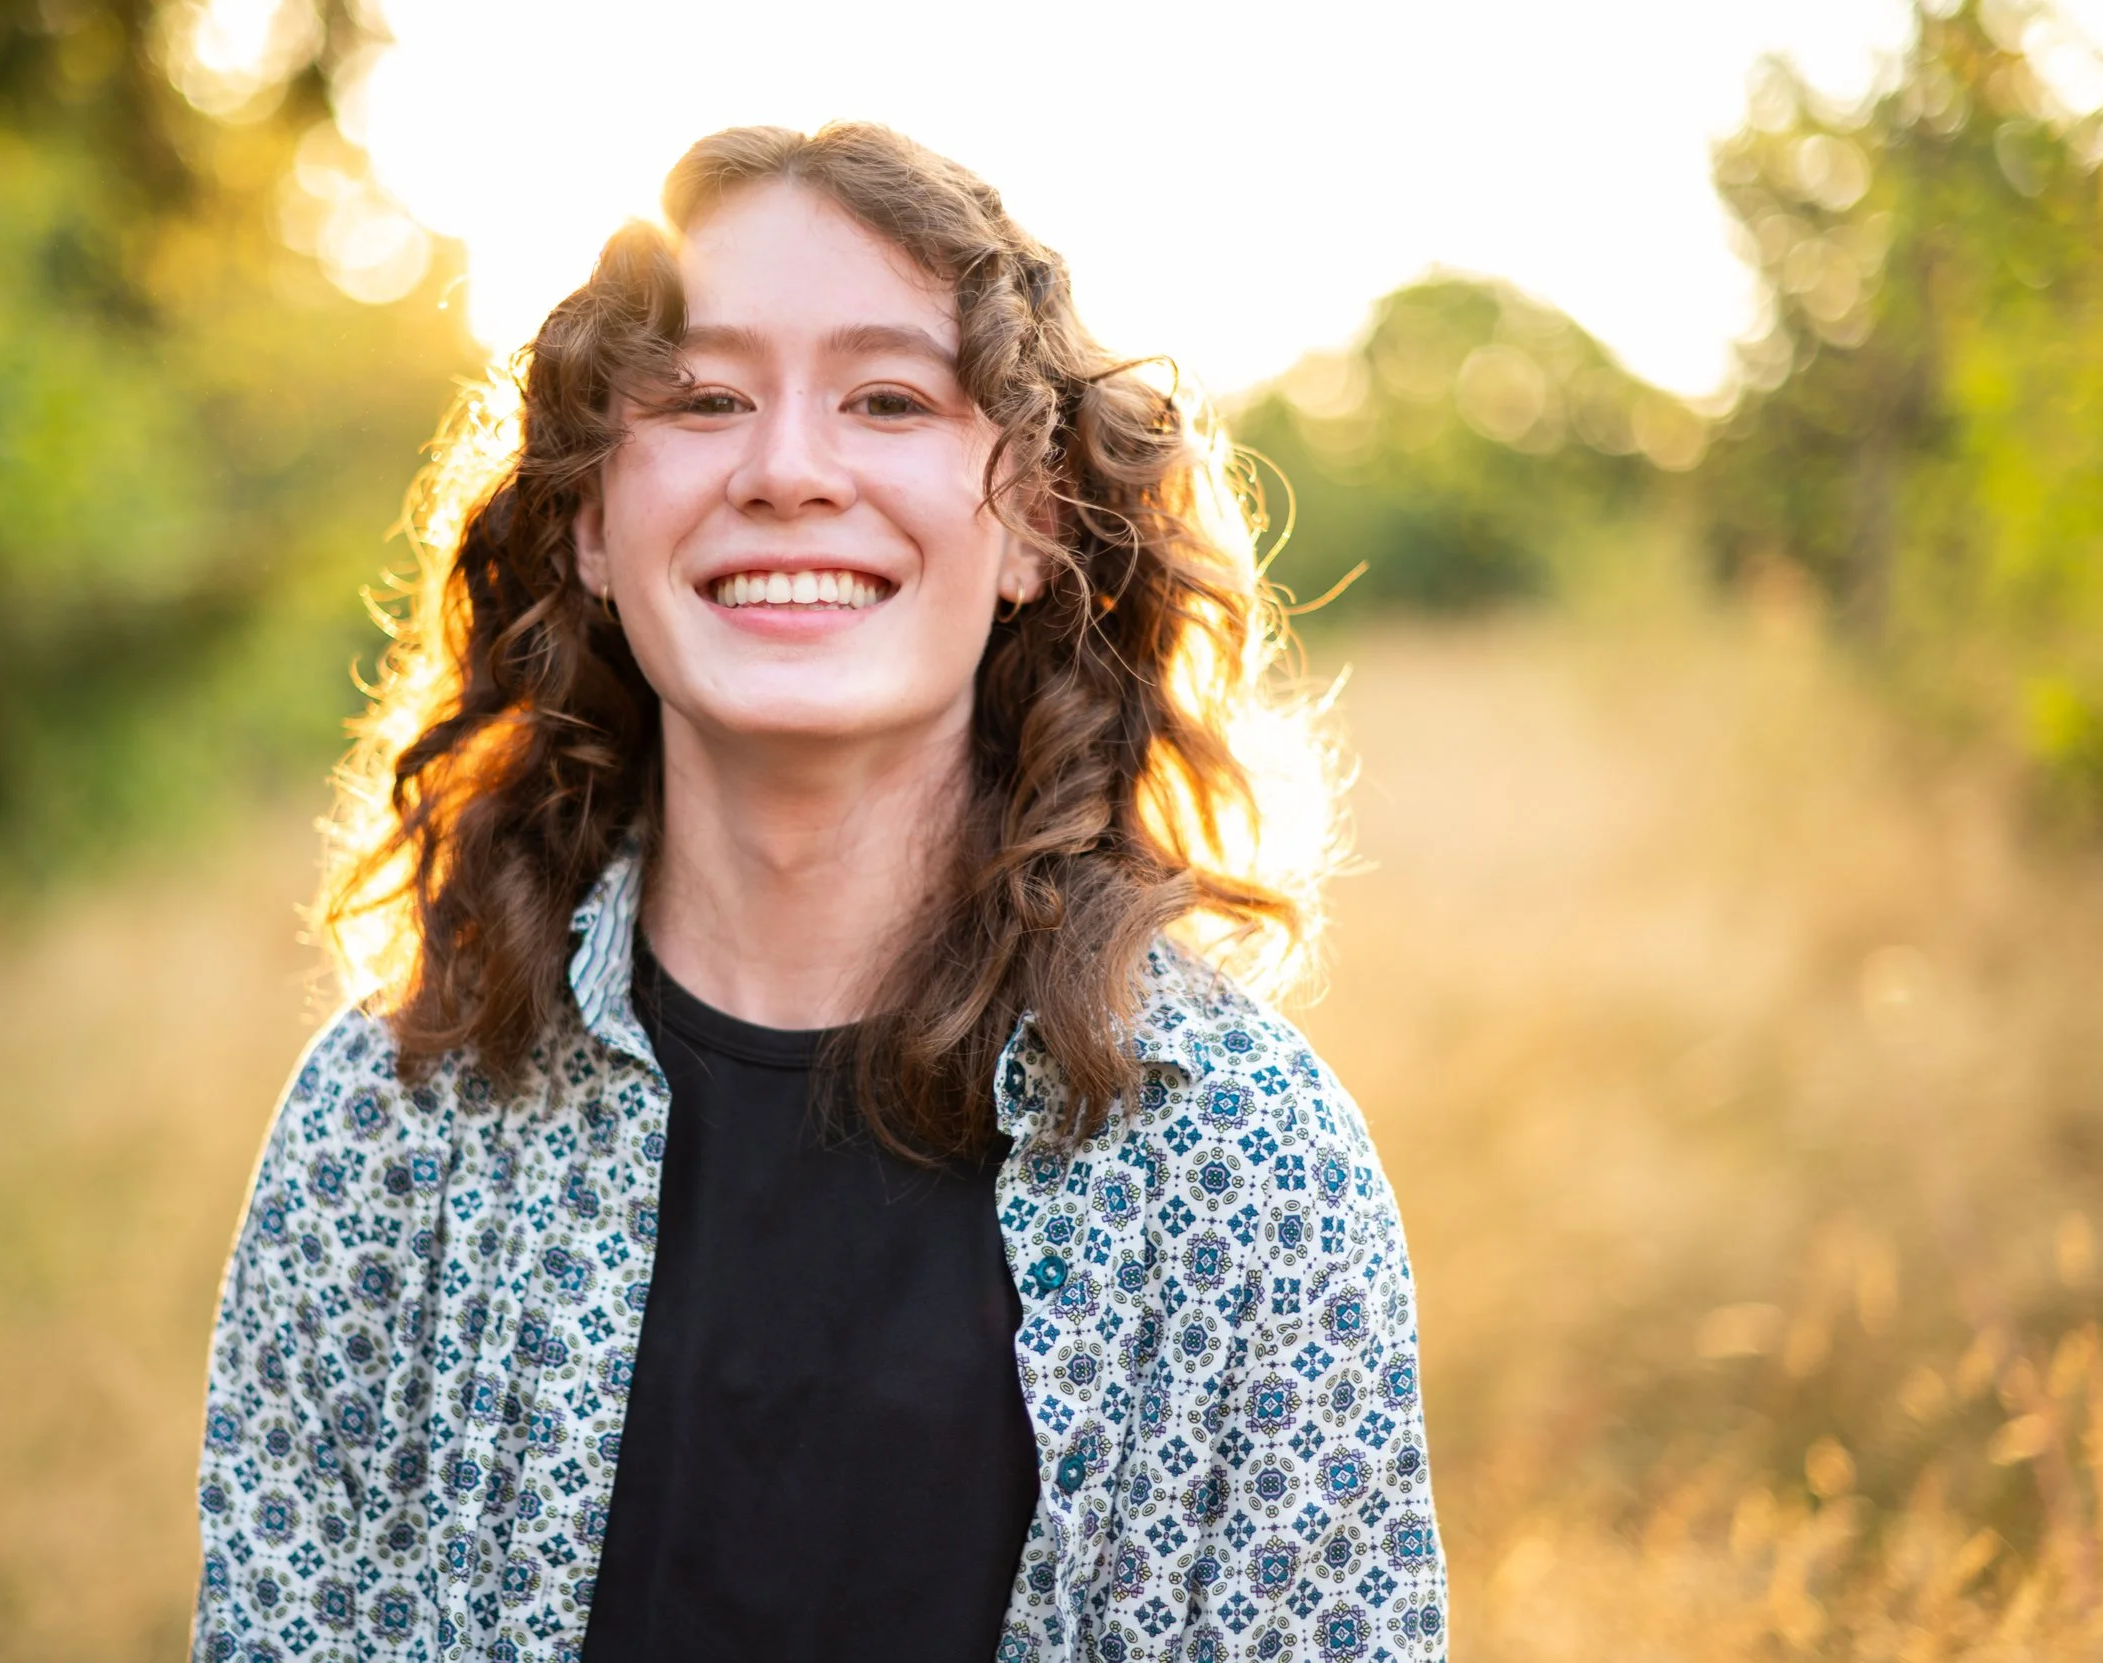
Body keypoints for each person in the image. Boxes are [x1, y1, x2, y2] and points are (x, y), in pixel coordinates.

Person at [192, 122, 1445, 1663]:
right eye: (703, 399)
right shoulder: (389, 1131)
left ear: (1037, 527)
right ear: (592, 520)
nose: (786, 469)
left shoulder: (1244, 1168)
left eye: (890, 398)